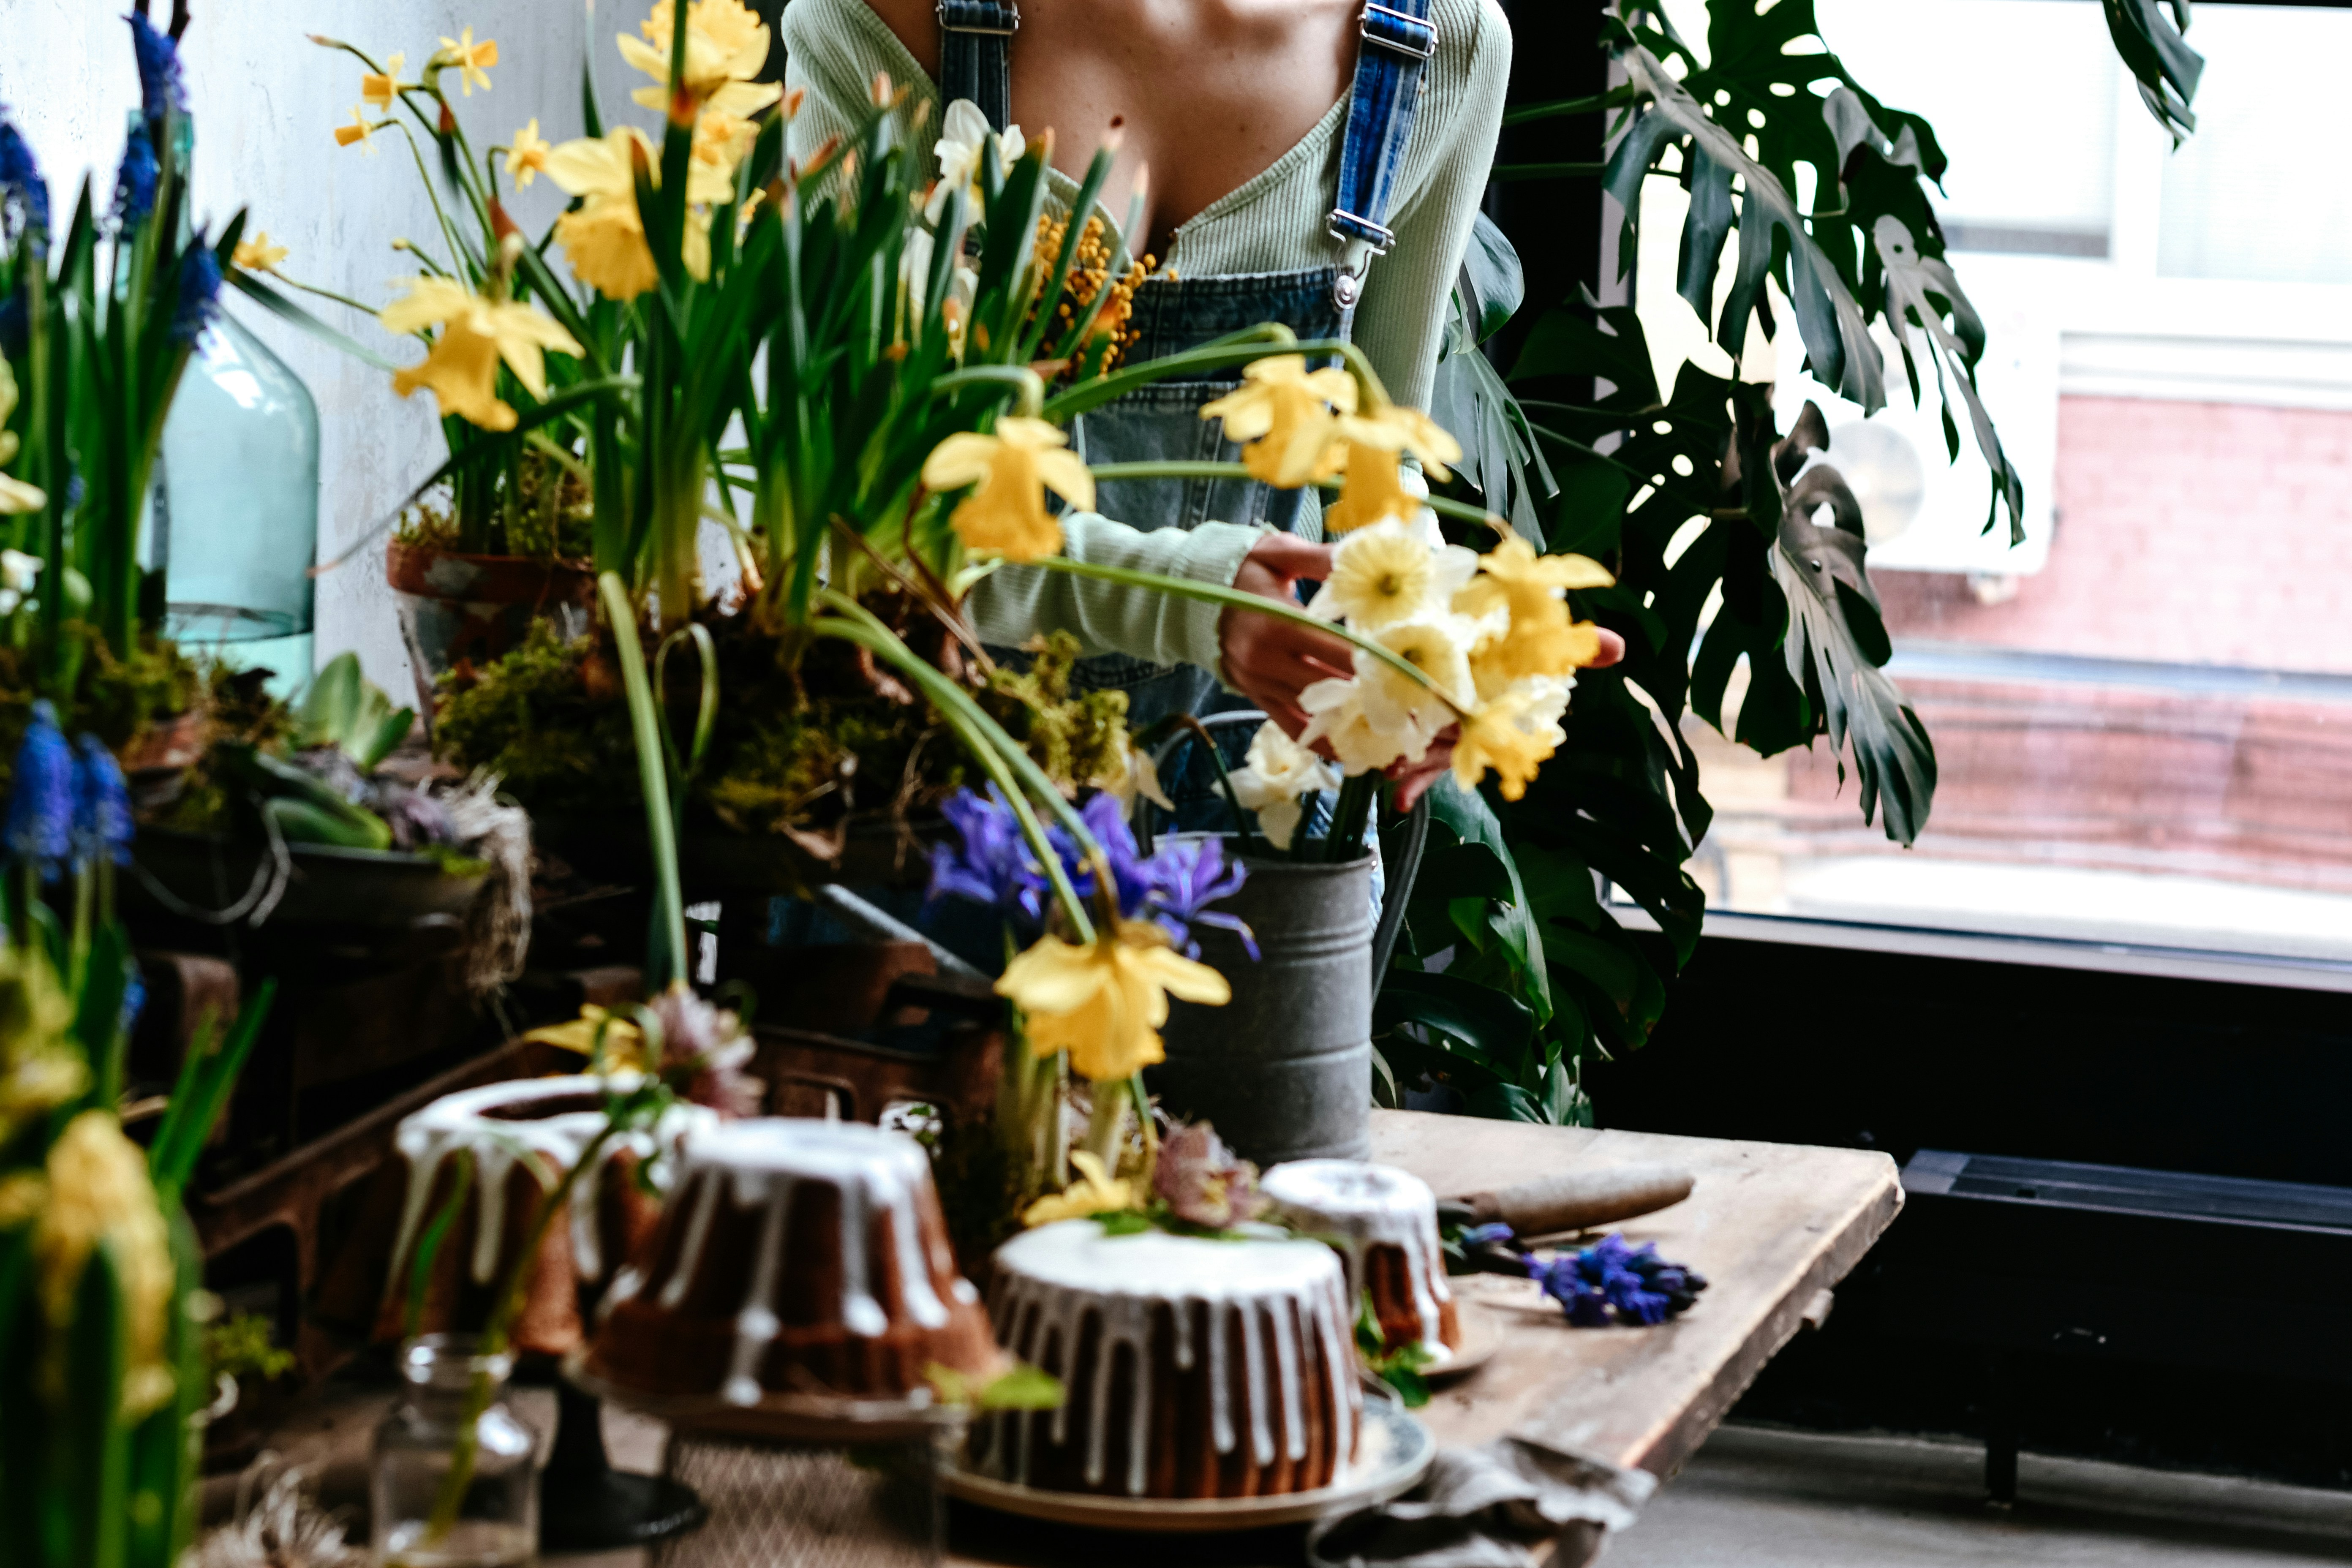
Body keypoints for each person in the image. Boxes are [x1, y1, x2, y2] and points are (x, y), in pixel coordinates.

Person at [783, 0, 1618, 802]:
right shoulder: (886, 17)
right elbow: (847, 513)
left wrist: (1442, 640)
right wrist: (1193, 599)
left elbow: (1376, 469)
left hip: (1262, 809)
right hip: (917, 797)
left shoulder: (1440, 41)